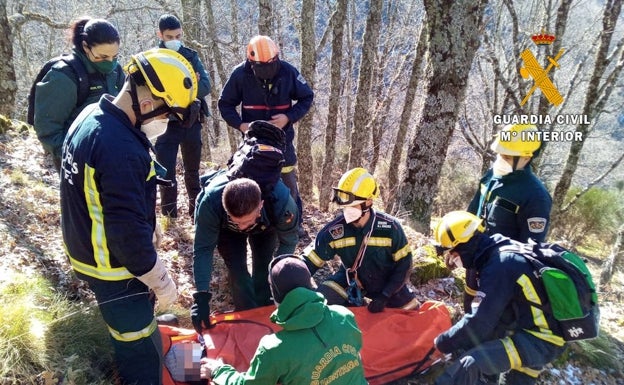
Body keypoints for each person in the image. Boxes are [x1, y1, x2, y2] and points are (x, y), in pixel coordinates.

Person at [60, 48, 199, 384]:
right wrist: (161, 281)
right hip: (113, 269)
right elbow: (128, 239)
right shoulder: (120, 148)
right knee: (138, 348)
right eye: (168, 114)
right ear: (149, 102)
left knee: (139, 329)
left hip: (87, 250)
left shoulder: (92, 116)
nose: (166, 124)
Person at [432, 211, 566, 385]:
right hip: (525, 329)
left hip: (542, 339)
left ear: (465, 246)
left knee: (472, 363)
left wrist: (441, 343)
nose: (452, 261)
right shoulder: (495, 249)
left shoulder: (500, 266)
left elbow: (479, 322)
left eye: (452, 254)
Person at [199, 254, 368, 385]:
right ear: (311, 285)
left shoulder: (273, 348)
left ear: (276, 298)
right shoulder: (344, 315)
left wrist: (218, 370)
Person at [218, 35, 314, 236]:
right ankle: (258, 223)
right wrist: (241, 125)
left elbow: (307, 96)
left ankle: (294, 224)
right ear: (251, 62)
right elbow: (225, 103)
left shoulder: (288, 72)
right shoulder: (240, 75)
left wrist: (288, 117)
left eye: (271, 63)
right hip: (252, 145)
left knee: (288, 184)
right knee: (254, 183)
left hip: (283, 141)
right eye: (261, 65)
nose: (267, 69)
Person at [302, 168, 420, 313]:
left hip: (385, 285)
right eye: (344, 206)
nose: (347, 211)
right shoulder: (335, 231)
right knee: (321, 301)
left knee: (412, 315)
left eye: (352, 206)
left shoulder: (390, 228)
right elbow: (311, 260)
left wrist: (385, 295)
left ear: (368, 202)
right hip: (350, 280)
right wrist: (289, 272)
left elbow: (404, 265)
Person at [462, 124, 552, 313]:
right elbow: (472, 212)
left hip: (500, 267)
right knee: (469, 301)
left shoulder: (535, 196)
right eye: (499, 154)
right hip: (475, 254)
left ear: (526, 158)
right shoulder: (491, 176)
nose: (500, 160)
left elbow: (530, 247)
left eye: (508, 157)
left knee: (486, 313)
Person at [191, 174, 299, 326]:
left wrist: (276, 279)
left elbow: (289, 241)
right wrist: (201, 296)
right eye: (237, 221)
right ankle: (247, 320)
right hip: (227, 230)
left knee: (264, 268)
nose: (242, 227)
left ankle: (264, 313)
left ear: (260, 205)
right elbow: (203, 249)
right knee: (238, 271)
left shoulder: (281, 204)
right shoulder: (210, 203)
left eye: (246, 221)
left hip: (265, 226)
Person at [34, 17, 125, 171]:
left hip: (111, 156)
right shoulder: (64, 76)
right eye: (102, 57)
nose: (110, 62)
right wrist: (77, 156)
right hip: (77, 162)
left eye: (114, 56)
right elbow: (48, 130)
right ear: (85, 46)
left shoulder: (116, 71)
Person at [154, 14, 212, 219]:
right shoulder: (153, 59)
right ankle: (169, 216)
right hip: (164, 124)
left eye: (178, 35)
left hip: (191, 121)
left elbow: (205, 86)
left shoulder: (191, 56)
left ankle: (197, 212)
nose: (174, 40)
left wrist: (178, 90)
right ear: (160, 34)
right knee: (166, 173)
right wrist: (186, 85)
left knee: (193, 172)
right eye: (169, 36)